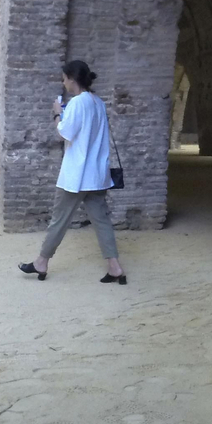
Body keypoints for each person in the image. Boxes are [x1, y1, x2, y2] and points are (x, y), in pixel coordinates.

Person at [18, 60, 127, 285]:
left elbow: (64, 134)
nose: (63, 83)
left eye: (64, 79)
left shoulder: (78, 102)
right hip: (97, 176)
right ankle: (115, 267)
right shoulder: (98, 102)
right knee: (102, 221)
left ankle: (41, 262)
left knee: (59, 220)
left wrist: (57, 114)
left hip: (76, 176)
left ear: (71, 78)